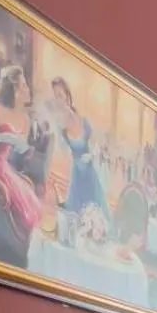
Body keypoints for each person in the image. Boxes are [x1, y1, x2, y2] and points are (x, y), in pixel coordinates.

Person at [0, 65, 43, 243]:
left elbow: (18, 151)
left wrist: (26, 149)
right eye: (24, 85)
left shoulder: (25, 120)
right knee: (11, 206)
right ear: (15, 89)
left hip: (3, 165)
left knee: (30, 209)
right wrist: (4, 136)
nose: (28, 90)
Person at [50, 76, 110, 222]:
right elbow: (62, 153)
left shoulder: (84, 121)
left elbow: (97, 144)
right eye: (55, 97)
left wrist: (92, 154)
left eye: (60, 96)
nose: (58, 100)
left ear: (67, 96)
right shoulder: (61, 128)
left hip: (89, 172)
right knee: (76, 214)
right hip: (77, 173)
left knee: (96, 212)